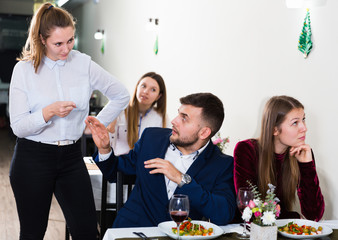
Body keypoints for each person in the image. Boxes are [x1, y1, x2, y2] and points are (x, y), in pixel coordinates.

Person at [9, 3, 129, 239]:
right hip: (32, 158)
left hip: (71, 158)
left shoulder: (83, 63)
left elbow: (121, 94)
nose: (66, 49)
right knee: (33, 232)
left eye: (71, 40)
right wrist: (48, 112)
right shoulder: (23, 70)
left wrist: (94, 123)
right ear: (42, 39)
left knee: (86, 231)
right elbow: (19, 127)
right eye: (58, 43)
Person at [85, 92, 236, 227]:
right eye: (178, 114)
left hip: (180, 236)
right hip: (131, 230)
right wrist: (104, 149)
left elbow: (223, 214)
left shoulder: (221, 164)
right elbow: (116, 170)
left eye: (184, 118)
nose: (174, 121)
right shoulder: (152, 138)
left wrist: (181, 178)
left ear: (204, 132)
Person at [233, 95, 325, 222]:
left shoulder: (302, 153)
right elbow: (250, 210)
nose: (304, 128)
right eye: (295, 123)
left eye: (303, 119)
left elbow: (313, 215)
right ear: (274, 129)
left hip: (280, 231)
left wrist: (306, 165)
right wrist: (295, 217)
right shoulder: (246, 150)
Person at [107, 72, 170, 156]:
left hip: (145, 166)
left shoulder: (162, 117)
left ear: (159, 96)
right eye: (143, 86)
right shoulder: (121, 110)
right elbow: (108, 146)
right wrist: (110, 128)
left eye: (153, 89)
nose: (145, 91)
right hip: (119, 162)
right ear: (137, 87)